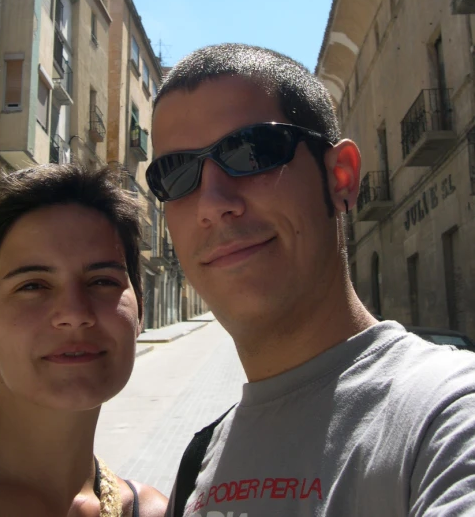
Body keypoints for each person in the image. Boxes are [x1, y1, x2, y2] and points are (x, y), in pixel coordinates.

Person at [146, 43, 475, 517]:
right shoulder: (197, 463)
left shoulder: (446, 421)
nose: (212, 202)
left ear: (340, 177)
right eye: (176, 174)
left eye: (252, 150)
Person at [0, 163, 167, 517]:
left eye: (102, 281)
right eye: (32, 285)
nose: (74, 312)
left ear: (140, 311)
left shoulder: (151, 512)